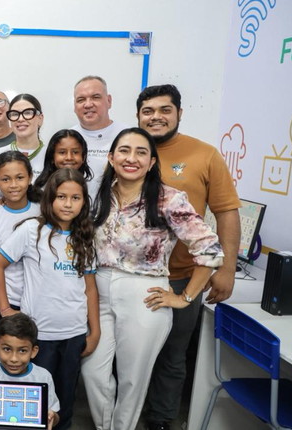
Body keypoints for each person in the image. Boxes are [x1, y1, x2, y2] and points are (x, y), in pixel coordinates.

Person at [80, 127, 224, 430]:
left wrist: (184, 297)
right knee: (93, 371)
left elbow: (210, 250)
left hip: (144, 294)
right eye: (124, 150)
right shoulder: (98, 195)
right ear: (111, 157)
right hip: (97, 292)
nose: (131, 158)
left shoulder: (169, 200)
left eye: (141, 152)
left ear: (152, 162)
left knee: (134, 378)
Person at [137, 85, 241, 430]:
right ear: (138, 116)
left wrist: (226, 268)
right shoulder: (131, 152)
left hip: (184, 275)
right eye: (148, 111)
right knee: (132, 353)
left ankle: (161, 419)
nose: (156, 117)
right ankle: (125, 415)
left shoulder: (205, 154)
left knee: (173, 355)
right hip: (134, 277)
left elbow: (226, 212)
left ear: (179, 113)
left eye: (164, 110)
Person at [0, 168, 99, 430]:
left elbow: (90, 289)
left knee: (65, 398)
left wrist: (94, 331)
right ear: (50, 198)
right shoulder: (32, 230)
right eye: (61, 196)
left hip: (73, 333)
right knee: (37, 399)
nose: (68, 204)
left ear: (84, 202)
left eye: (75, 198)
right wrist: (5, 309)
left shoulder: (85, 236)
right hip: (41, 335)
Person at [0, 151, 41, 329]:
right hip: (2, 301)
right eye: (5, 179)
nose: (13, 185)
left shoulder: (42, 211)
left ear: (30, 178)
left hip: (38, 302)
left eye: (19, 177)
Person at [0, 313, 60, 430]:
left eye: (22, 351)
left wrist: (51, 417)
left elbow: (55, 417)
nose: (13, 359)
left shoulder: (43, 376)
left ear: (33, 351)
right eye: (7, 349)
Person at [70, 76, 128, 187]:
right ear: (74, 106)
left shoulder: (129, 136)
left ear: (109, 101)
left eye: (95, 97)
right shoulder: (66, 139)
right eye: (81, 100)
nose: (88, 104)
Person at [0, 94, 45, 178]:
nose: (20, 119)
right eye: (14, 114)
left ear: (40, 119)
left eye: (28, 113)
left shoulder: (51, 155)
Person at [34, 129, 94, 193]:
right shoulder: (41, 189)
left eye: (75, 152)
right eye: (62, 152)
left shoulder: (91, 188)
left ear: (83, 157)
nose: (69, 157)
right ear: (52, 157)